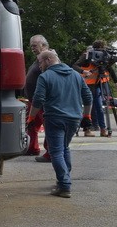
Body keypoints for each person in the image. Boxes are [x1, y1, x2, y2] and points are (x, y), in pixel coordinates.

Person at [29, 50, 92, 198]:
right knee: (64, 148)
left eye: (40, 62)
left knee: (56, 151)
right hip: (74, 119)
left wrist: (31, 117)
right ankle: (64, 179)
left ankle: (64, 186)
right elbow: (88, 96)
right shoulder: (76, 75)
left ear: (49, 60)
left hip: (54, 118)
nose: (39, 66)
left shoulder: (45, 77)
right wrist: (86, 115)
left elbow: (38, 100)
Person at [76, 40, 117, 137]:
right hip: (86, 86)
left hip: (97, 85)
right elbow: (74, 66)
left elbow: (109, 68)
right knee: (87, 108)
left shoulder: (105, 56)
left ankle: (103, 129)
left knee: (99, 107)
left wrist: (116, 82)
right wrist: (83, 71)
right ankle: (87, 129)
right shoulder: (87, 55)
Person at [23, 34, 50, 161]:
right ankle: (32, 148)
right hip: (34, 100)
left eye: (34, 45)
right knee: (31, 125)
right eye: (31, 46)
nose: (32, 48)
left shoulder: (47, 59)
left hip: (42, 101)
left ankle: (50, 153)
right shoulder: (39, 58)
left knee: (48, 125)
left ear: (43, 45)